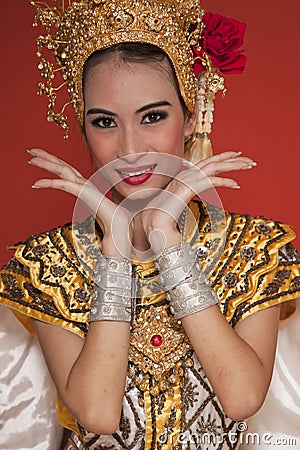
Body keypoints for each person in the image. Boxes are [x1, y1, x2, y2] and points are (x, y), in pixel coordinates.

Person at [0, 1, 299, 449]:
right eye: (104, 123)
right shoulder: (48, 263)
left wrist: (166, 236)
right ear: (84, 131)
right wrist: (116, 248)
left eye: (153, 117)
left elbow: (242, 397)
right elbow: (97, 413)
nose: (129, 148)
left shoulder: (256, 248)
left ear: (192, 117)